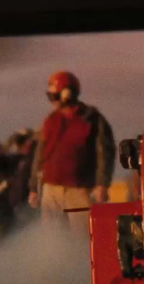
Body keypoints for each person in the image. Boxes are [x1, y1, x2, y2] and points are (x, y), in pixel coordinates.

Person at [27, 71, 116, 226]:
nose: (52, 101)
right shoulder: (51, 120)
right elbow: (40, 155)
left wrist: (102, 184)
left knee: (82, 236)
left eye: (54, 96)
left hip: (79, 190)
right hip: (51, 190)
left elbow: (105, 153)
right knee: (52, 236)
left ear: (67, 94)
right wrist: (34, 188)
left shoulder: (91, 119)